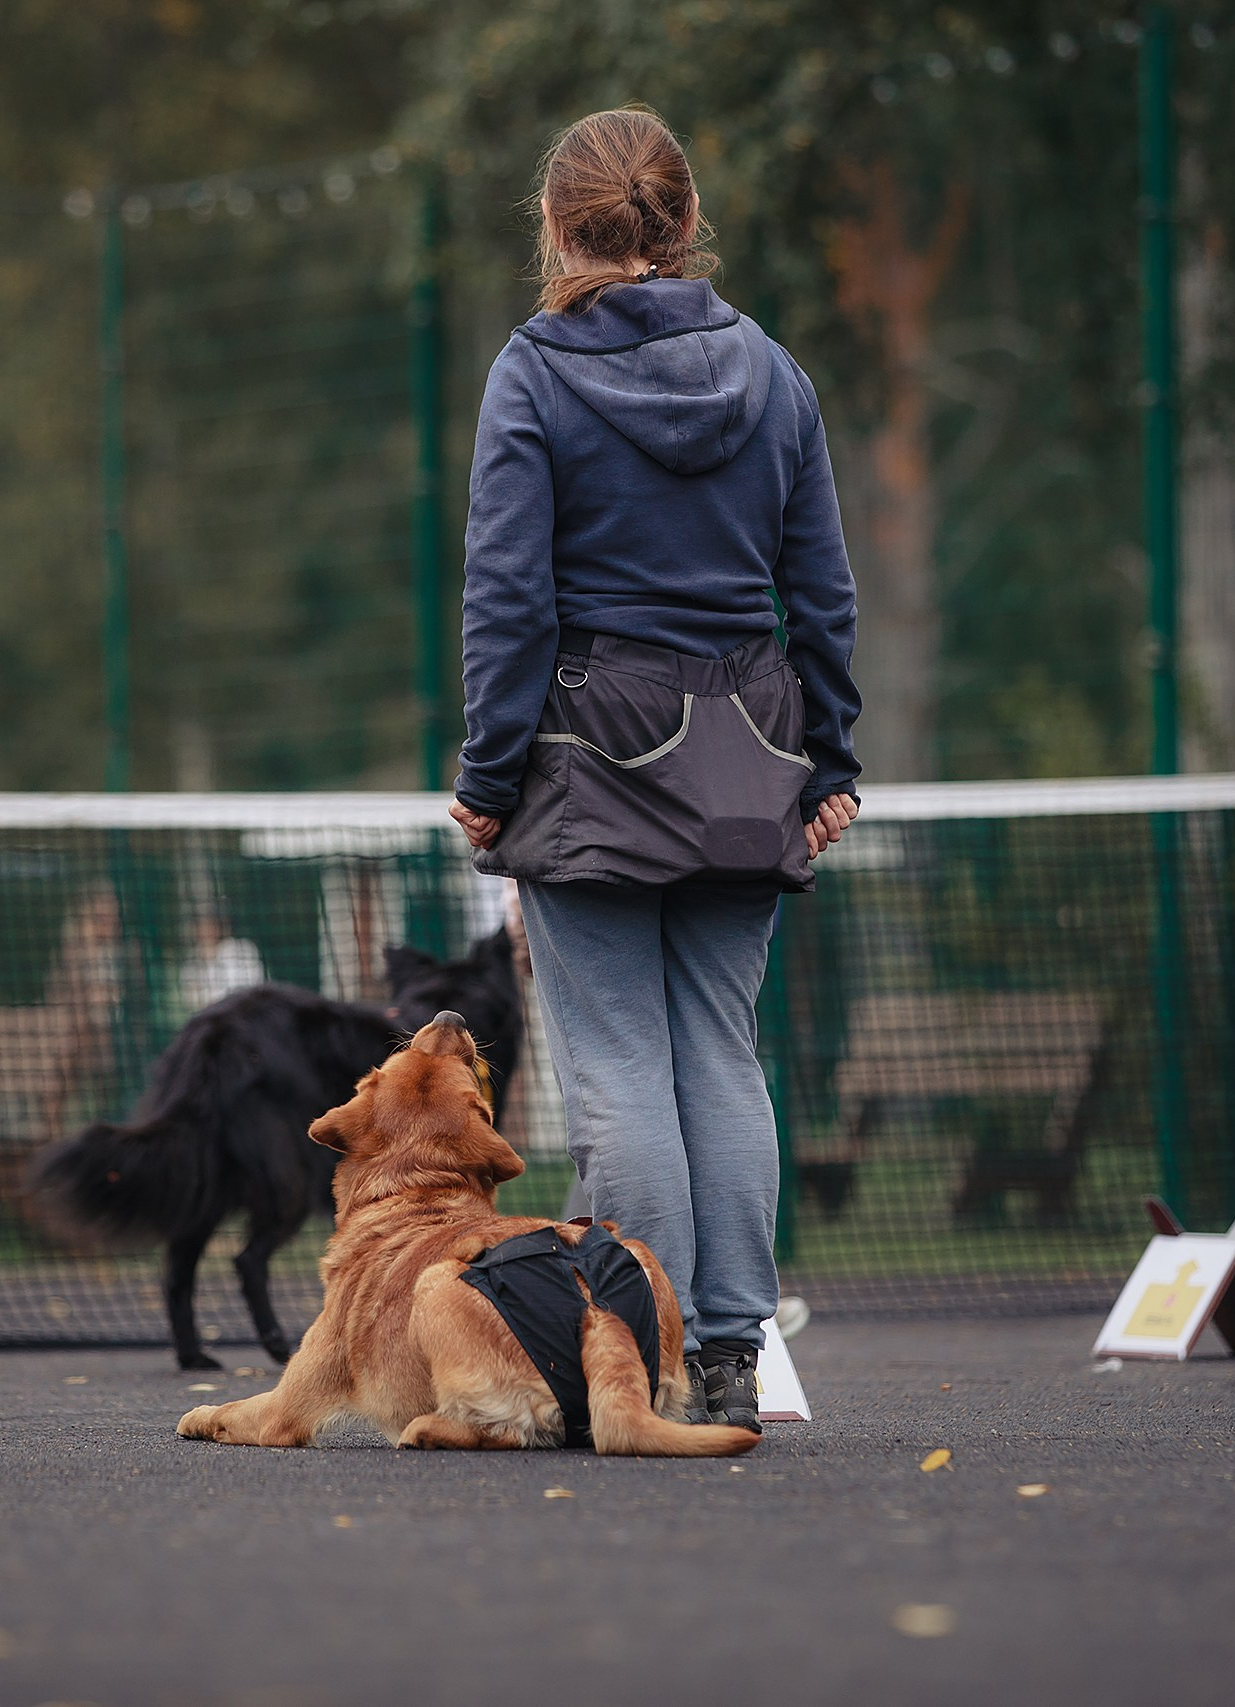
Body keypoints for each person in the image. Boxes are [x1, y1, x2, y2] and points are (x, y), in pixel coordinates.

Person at [448, 107, 861, 1432]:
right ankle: (733, 1350)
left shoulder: (533, 373)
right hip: (753, 761)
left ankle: (643, 1353)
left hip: (589, 762)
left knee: (621, 1067)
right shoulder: (776, 373)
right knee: (722, 1060)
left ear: (560, 230)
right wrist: (831, 759)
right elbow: (822, 591)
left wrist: (489, 773)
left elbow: (507, 598)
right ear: (684, 225)